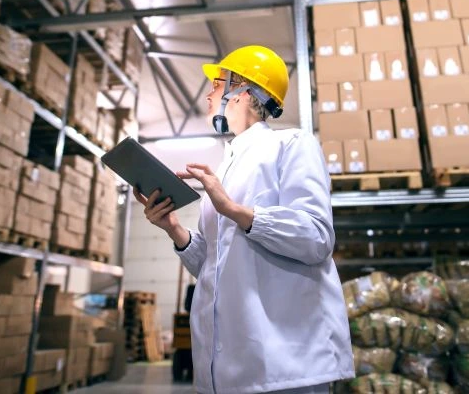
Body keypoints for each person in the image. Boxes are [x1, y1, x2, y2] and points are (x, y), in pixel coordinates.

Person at [133, 45, 354, 394]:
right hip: (227, 373)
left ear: (243, 92)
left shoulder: (293, 144)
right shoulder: (225, 167)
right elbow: (216, 266)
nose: (208, 93)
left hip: (286, 367)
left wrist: (234, 210)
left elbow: (316, 237)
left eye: (217, 83)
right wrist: (174, 229)